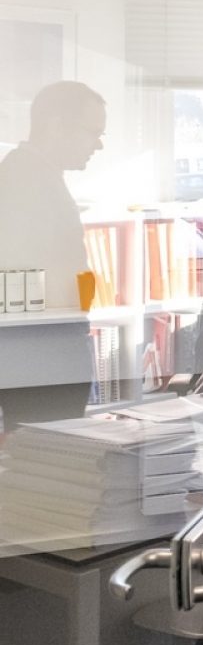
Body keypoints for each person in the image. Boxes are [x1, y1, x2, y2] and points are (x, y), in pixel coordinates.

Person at [0, 81, 106, 432]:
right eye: (93, 132)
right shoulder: (25, 182)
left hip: (47, 354)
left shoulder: (36, 175)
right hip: (40, 360)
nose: (99, 144)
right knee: (48, 465)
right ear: (56, 126)